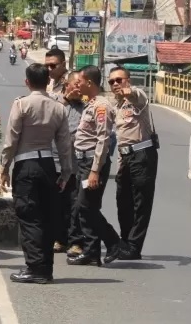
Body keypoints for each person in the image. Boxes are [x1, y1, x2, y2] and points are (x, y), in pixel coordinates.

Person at [0, 64, 72, 284]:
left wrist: (4, 167)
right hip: (49, 165)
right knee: (47, 218)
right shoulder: (58, 107)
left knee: (29, 217)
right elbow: (64, 143)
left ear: (27, 82)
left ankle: (34, 268)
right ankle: (46, 268)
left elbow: (11, 139)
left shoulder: (21, 104)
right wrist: (66, 171)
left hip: (26, 165)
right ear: (48, 81)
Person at [68, 65, 130, 266]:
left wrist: (95, 170)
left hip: (92, 164)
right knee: (84, 206)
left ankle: (113, 242)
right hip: (83, 161)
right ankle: (91, 251)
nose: (77, 84)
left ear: (89, 82)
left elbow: (103, 139)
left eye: (80, 81)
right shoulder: (91, 102)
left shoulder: (101, 106)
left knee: (85, 206)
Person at [109, 67, 158, 260]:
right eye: (111, 81)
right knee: (123, 200)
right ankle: (126, 241)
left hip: (142, 154)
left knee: (141, 203)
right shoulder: (117, 105)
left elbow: (137, 95)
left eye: (119, 80)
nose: (115, 84)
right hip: (125, 157)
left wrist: (131, 92)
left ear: (127, 80)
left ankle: (134, 246)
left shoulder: (138, 98)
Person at [54, 71, 85, 256]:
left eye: (81, 84)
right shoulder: (56, 102)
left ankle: (75, 241)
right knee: (57, 204)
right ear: (67, 84)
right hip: (57, 164)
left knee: (75, 204)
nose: (79, 88)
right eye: (76, 83)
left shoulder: (86, 107)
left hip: (76, 166)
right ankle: (59, 238)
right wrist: (65, 99)